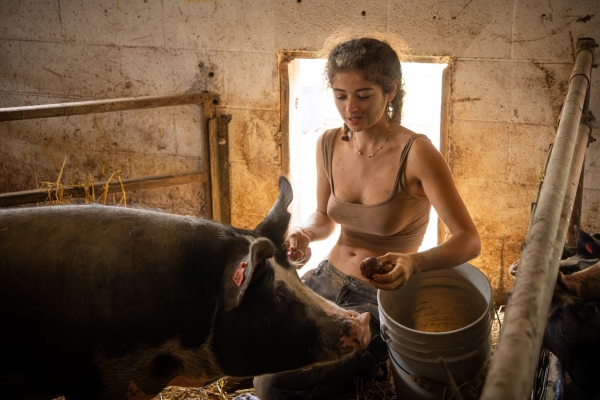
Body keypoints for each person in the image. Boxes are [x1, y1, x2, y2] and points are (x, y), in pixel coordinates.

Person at [253, 37, 481, 400]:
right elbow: (325, 216)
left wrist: (414, 262)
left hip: (376, 299)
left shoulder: (417, 152)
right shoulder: (328, 143)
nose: (350, 108)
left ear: (390, 90)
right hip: (325, 281)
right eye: (340, 95)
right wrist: (305, 234)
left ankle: (371, 364)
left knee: (274, 384)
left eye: (363, 94)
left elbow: (469, 239)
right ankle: (358, 371)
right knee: (254, 353)